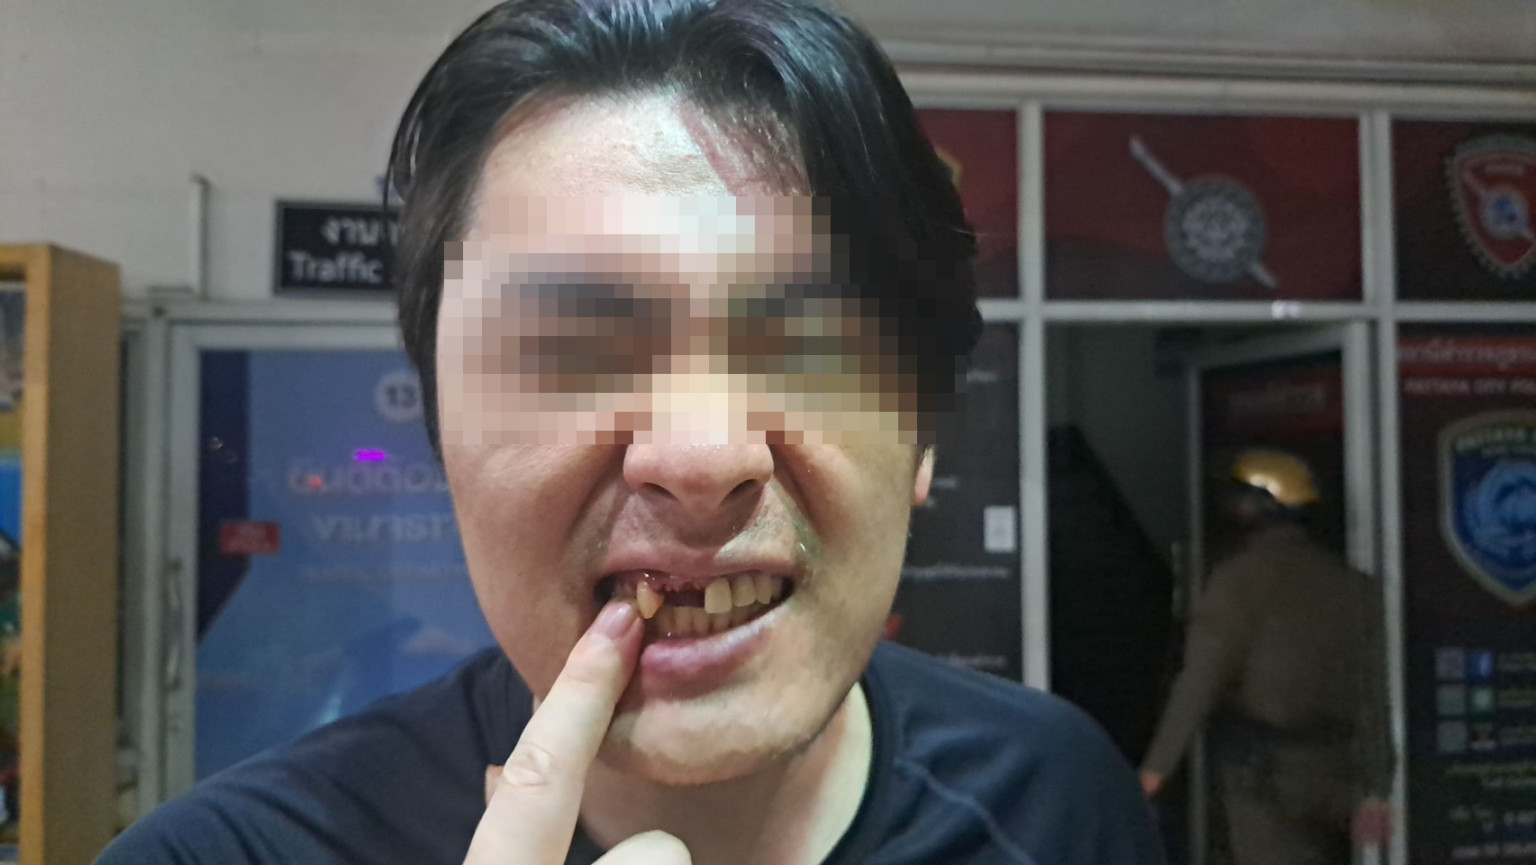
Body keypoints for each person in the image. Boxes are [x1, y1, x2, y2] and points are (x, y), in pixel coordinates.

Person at [98, 1, 1164, 863]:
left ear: (922, 433)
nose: (701, 459)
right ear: (440, 437)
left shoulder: (1058, 802)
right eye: (569, 350)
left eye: (808, 343)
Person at [1139, 449, 1394, 865]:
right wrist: (1379, 785)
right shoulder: (1356, 587)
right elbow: (1375, 692)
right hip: (1338, 770)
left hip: (1265, 773)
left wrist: (1155, 771)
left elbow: (1199, 682)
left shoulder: (1238, 580)